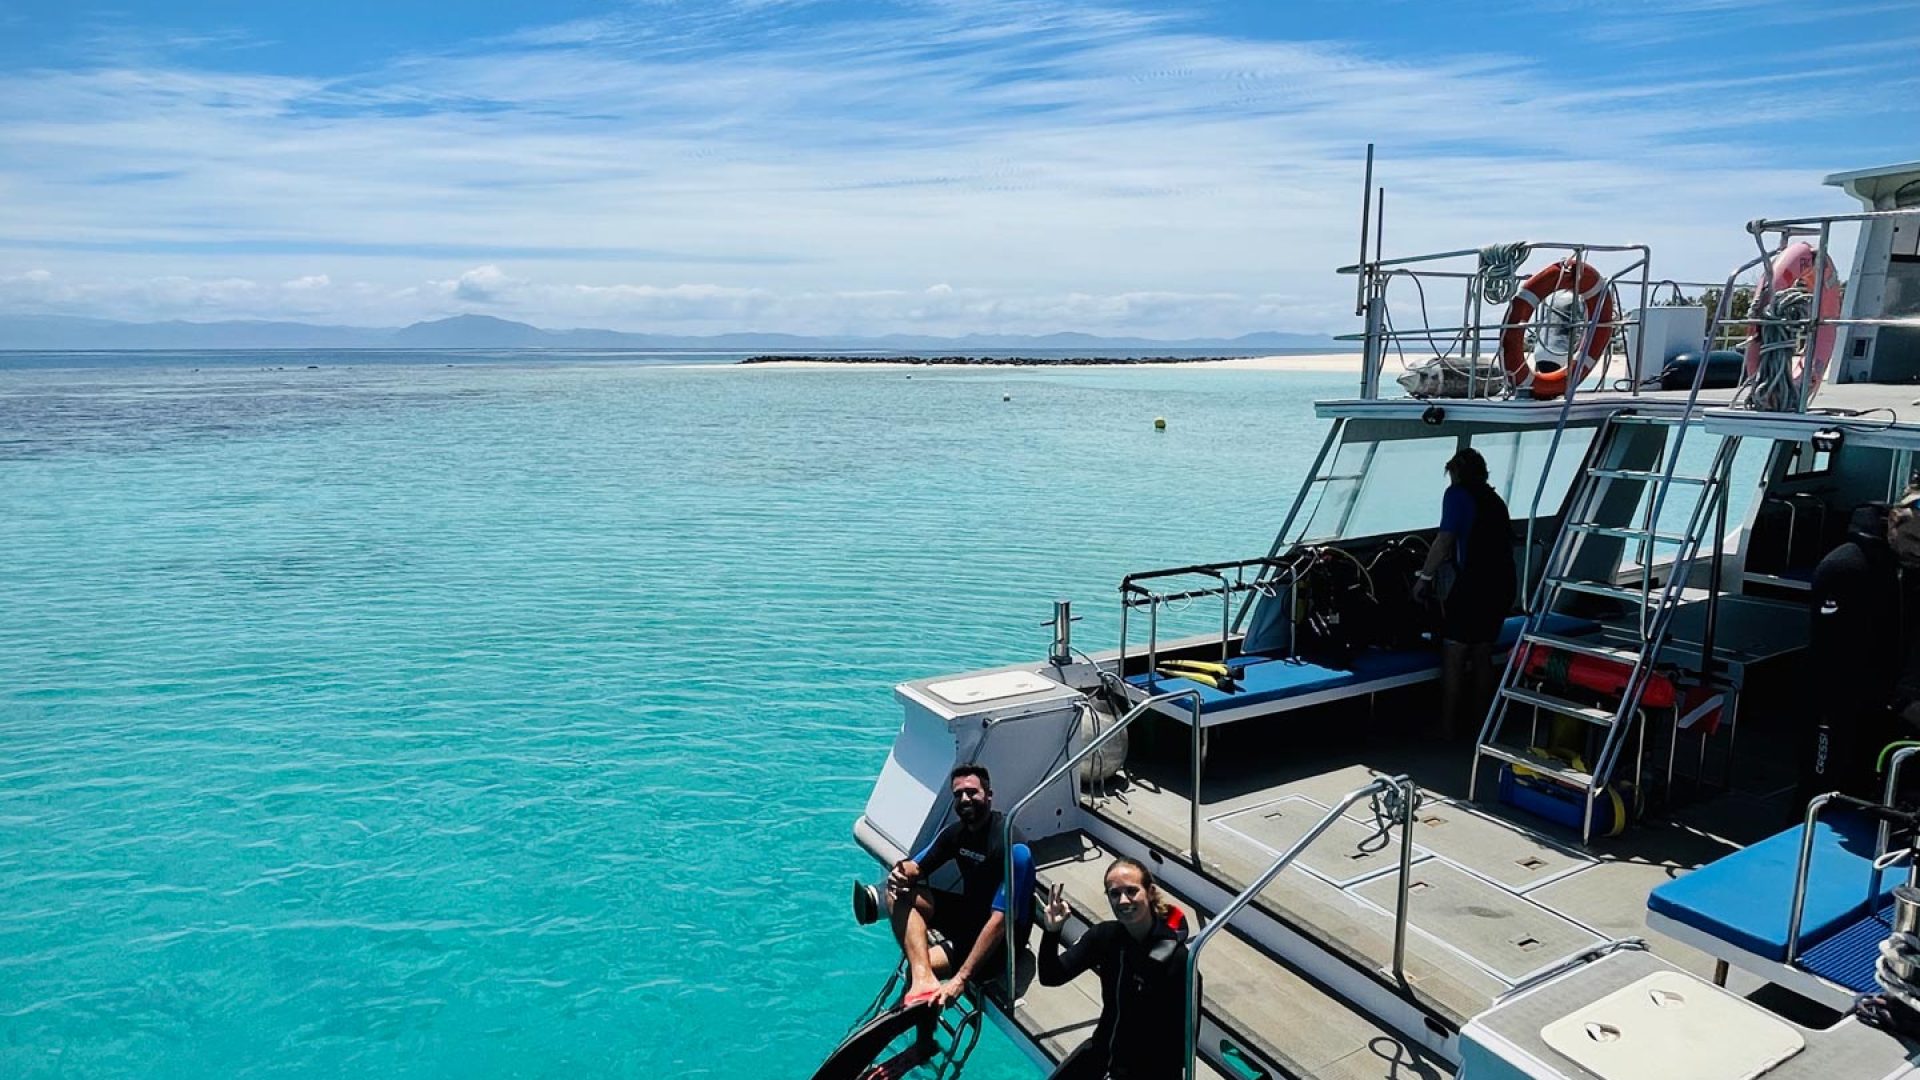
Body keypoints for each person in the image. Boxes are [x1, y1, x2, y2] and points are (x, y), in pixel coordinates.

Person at [852, 765, 1034, 1007]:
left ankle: (925, 1040)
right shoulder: (956, 834)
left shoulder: (1013, 847)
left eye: (972, 792)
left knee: (920, 967)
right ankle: (921, 977)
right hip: (968, 913)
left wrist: (960, 979)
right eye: (958, 794)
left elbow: (1000, 922)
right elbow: (916, 867)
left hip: (1002, 939)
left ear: (989, 795)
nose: (964, 799)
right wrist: (900, 873)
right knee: (896, 893)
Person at [1035, 857, 1191, 1080]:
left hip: (1146, 1071)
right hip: (1102, 1053)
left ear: (1150, 891)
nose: (1123, 900)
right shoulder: (1105, 937)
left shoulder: (1176, 958)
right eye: (1115, 894)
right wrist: (1052, 931)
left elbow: (1182, 1044)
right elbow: (1051, 976)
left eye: (1132, 891)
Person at [1413, 447, 1515, 740]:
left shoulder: (1457, 495)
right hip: (1502, 584)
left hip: (1476, 584)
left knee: (1454, 651)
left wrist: (1424, 579)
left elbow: (1445, 541)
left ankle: (1447, 726)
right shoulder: (1495, 499)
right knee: (1482, 650)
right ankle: (1481, 724)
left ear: (1455, 473)